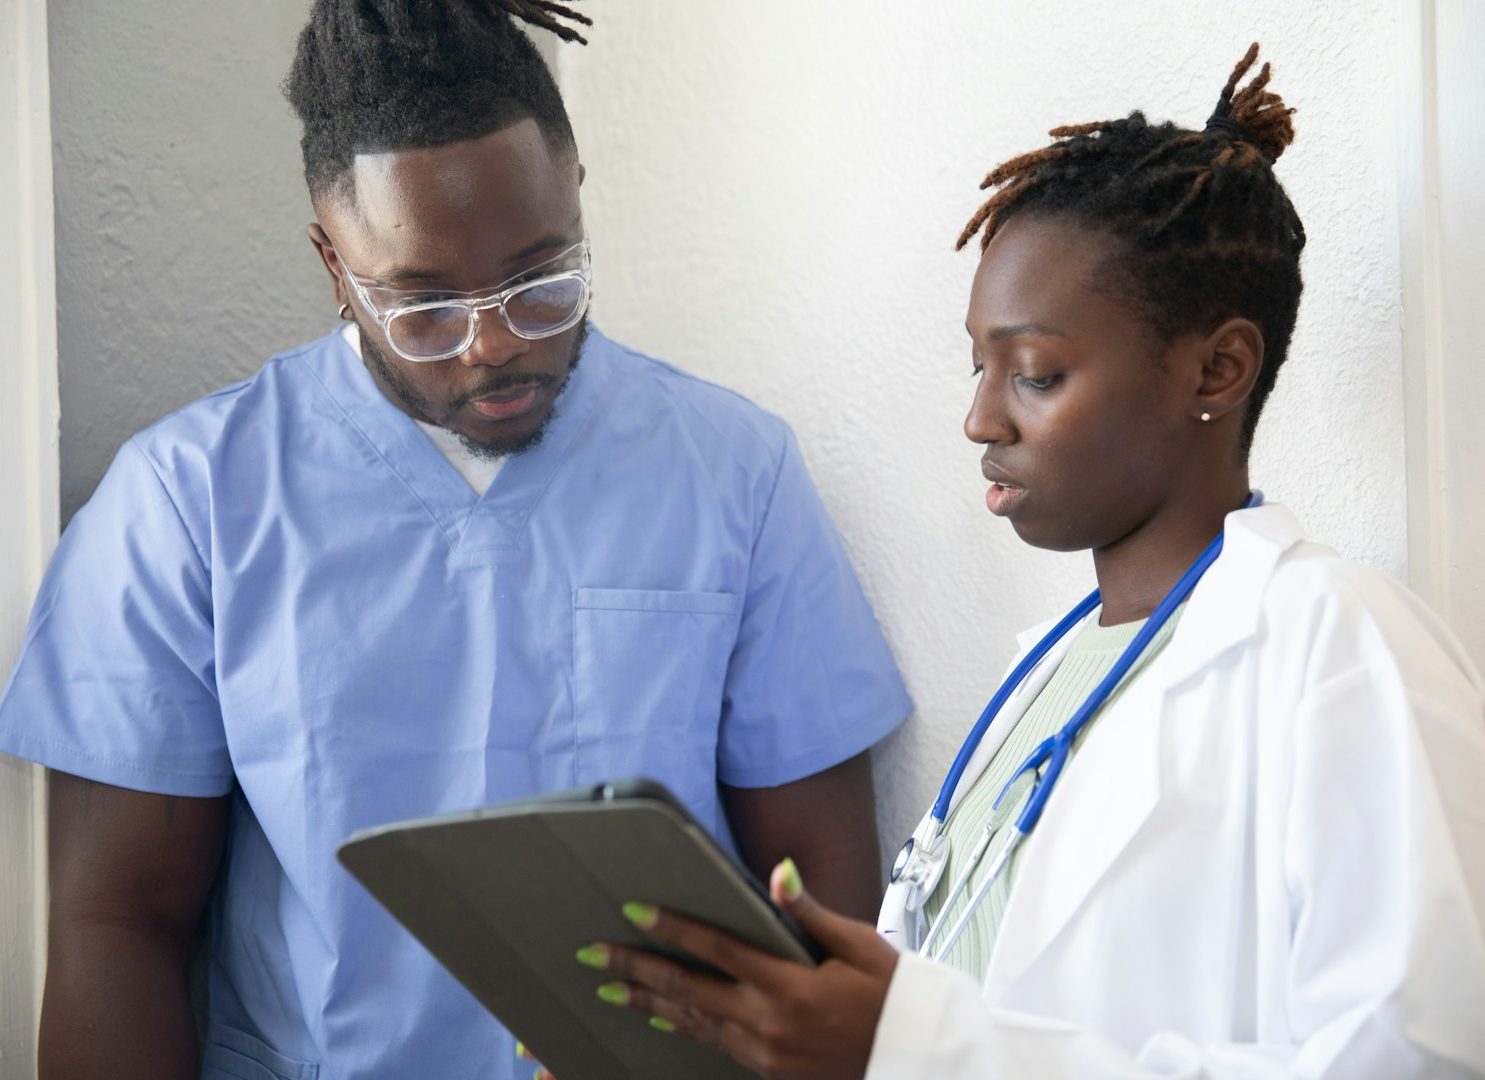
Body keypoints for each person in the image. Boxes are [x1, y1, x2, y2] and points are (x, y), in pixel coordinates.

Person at [0, 4, 912, 1078]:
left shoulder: (732, 472)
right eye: (425, 307)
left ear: (576, 196)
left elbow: (823, 894)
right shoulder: (187, 501)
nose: (494, 345)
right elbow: (120, 925)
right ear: (334, 266)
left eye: (540, 282)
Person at [573, 44, 1485, 1078]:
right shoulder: (1042, 681)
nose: (979, 419)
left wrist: (918, 1048)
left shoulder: (1339, 643)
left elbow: (1423, 1059)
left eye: (1036, 373)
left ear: (1218, 368)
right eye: (979, 366)